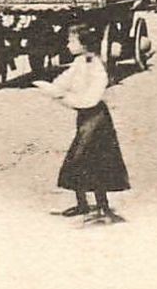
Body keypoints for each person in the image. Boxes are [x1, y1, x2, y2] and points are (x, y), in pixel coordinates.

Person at [35, 24, 130, 224]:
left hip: (97, 119)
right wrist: (51, 88)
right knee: (81, 159)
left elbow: (89, 99)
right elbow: (63, 81)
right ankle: (83, 203)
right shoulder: (79, 62)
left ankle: (102, 205)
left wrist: (60, 95)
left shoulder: (97, 67)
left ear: (84, 44)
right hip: (85, 118)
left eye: (72, 41)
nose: (68, 45)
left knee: (93, 160)